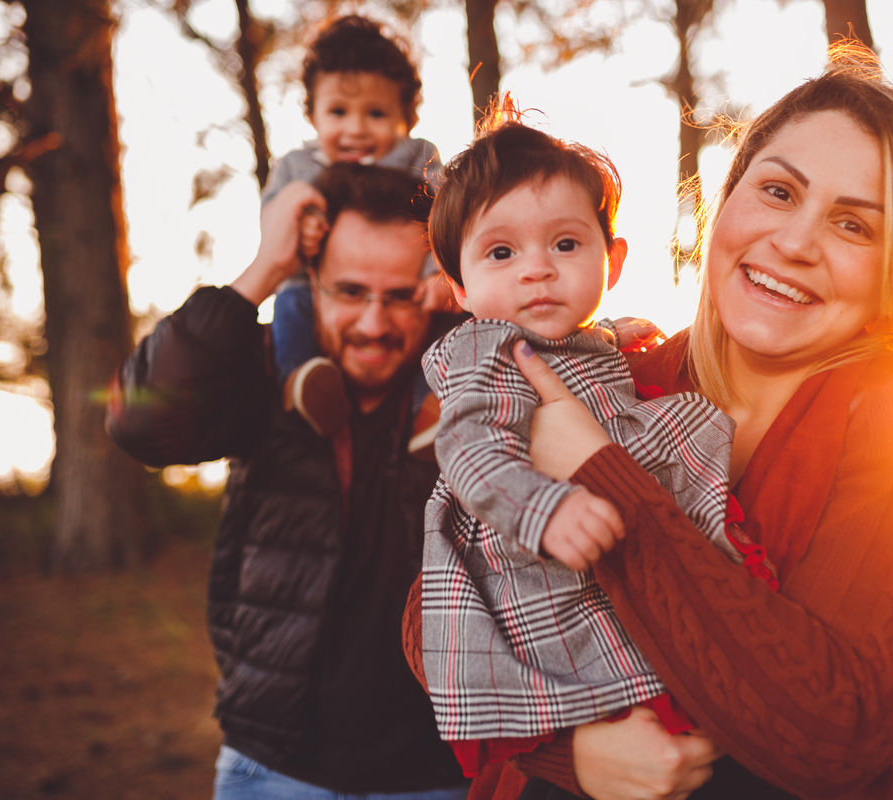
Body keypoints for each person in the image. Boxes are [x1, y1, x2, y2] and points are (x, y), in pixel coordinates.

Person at [404, 49, 893, 800]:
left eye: (853, 225)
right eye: (779, 192)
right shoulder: (624, 375)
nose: (794, 242)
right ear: (730, 197)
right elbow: (432, 619)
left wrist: (600, 476)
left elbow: (834, 733)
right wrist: (575, 750)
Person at [418, 116, 774, 780]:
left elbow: (585, 342)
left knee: (691, 424)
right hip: (533, 543)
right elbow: (468, 448)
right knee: (591, 648)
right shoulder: (482, 348)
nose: (538, 272)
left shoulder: (582, 339)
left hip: (607, 530)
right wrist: (542, 509)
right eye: (502, 254)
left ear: (611, 263)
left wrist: (619, 332)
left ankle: (713, 611)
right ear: (460, 289)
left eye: (565, 244)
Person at [107, 164, 470, 800]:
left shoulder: (475, 385)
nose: (374, 323)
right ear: (311, 286)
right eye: (350, 292)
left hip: (438, 775)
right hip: (273, 767)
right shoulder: (266, 369)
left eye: (400, 296)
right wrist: (260, 272)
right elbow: (140, 423)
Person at [265, 14, 443, 436]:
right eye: (338, 112)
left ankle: (432, 406)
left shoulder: (420, 158)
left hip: (416, 275)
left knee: (442, 316)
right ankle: (301, 379)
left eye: (376, 114)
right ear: (312, 114)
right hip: (308, 279)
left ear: (408, 117)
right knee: (288, 304)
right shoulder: (296, 166)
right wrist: (299, 224)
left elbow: (450, 216)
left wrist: (438, 272)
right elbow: (272, 217)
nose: (356, 129)